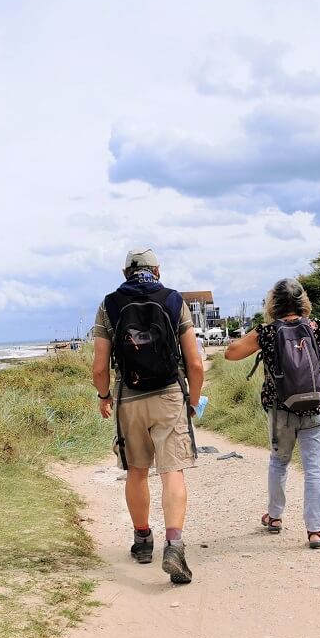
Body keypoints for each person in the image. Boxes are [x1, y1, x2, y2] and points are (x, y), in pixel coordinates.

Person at [92, 248, 205, 584]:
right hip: (170, 394)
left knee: (137, 471)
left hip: (130, 398)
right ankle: (174, 545)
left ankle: (143, 541)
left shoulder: (109, 305)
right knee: (172, 472)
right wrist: (193, 402)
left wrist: (104, 396)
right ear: (157, 270)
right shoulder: (173, 301)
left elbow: (99, 367)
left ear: (125, 271)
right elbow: (195, 363)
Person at [224, 278, 320, 549]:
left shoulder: (267, 332)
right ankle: (315, 531)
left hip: (280, 410)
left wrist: (255, 334)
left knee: (278, 462)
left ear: (273, 303)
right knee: (313, 469)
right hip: (315, 407)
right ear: (303, 301)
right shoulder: (316, 327)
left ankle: (274, 517)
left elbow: (230, 353)